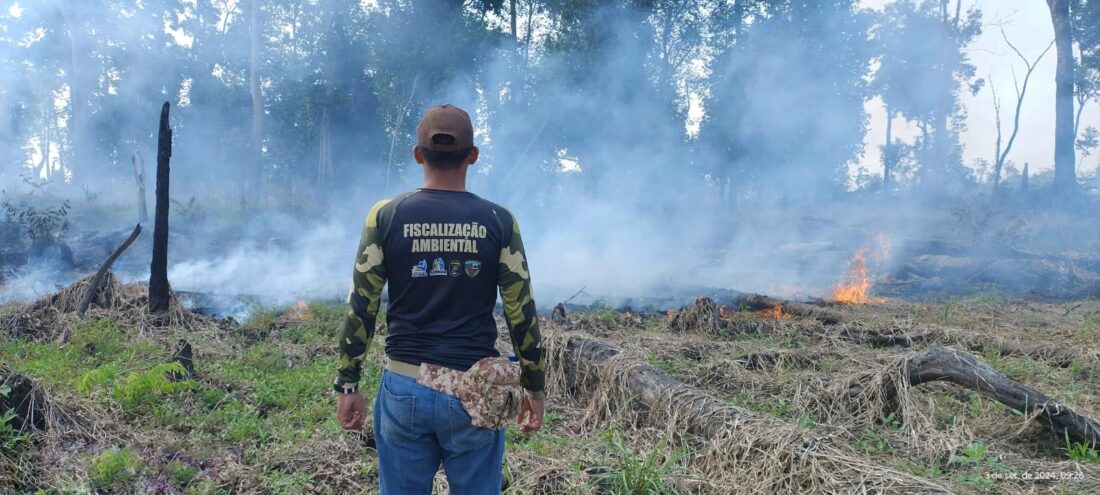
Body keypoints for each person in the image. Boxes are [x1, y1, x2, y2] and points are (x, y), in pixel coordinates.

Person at [333, 104, 546, 494]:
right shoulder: (499, 221)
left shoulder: (385, 216)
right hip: (475, 392)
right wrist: (535, 388)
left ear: (418, 155)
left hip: (403, 388)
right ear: (473, 156)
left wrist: (348, 385)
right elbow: (521, 313)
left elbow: (362, 306)